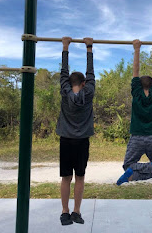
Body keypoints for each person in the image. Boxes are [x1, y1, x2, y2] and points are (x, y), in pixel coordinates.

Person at [117, 39, 152, 186]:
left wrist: (137, 49)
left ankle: (134, 174)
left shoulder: (137, 93)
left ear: (138, 85)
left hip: (137, 137)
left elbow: (135, 70)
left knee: (128, 166)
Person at [56, 36, 95, 225]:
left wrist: (65, 46)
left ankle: (65, 212)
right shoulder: (89, 93)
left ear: (69, 83)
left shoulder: (65, 92)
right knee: (80, 177)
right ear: (85, 83)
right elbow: (91, 72)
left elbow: (64, 72)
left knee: (66, 178)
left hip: (66, 140)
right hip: (82, 142)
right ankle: (76, 212)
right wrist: (89, 47)